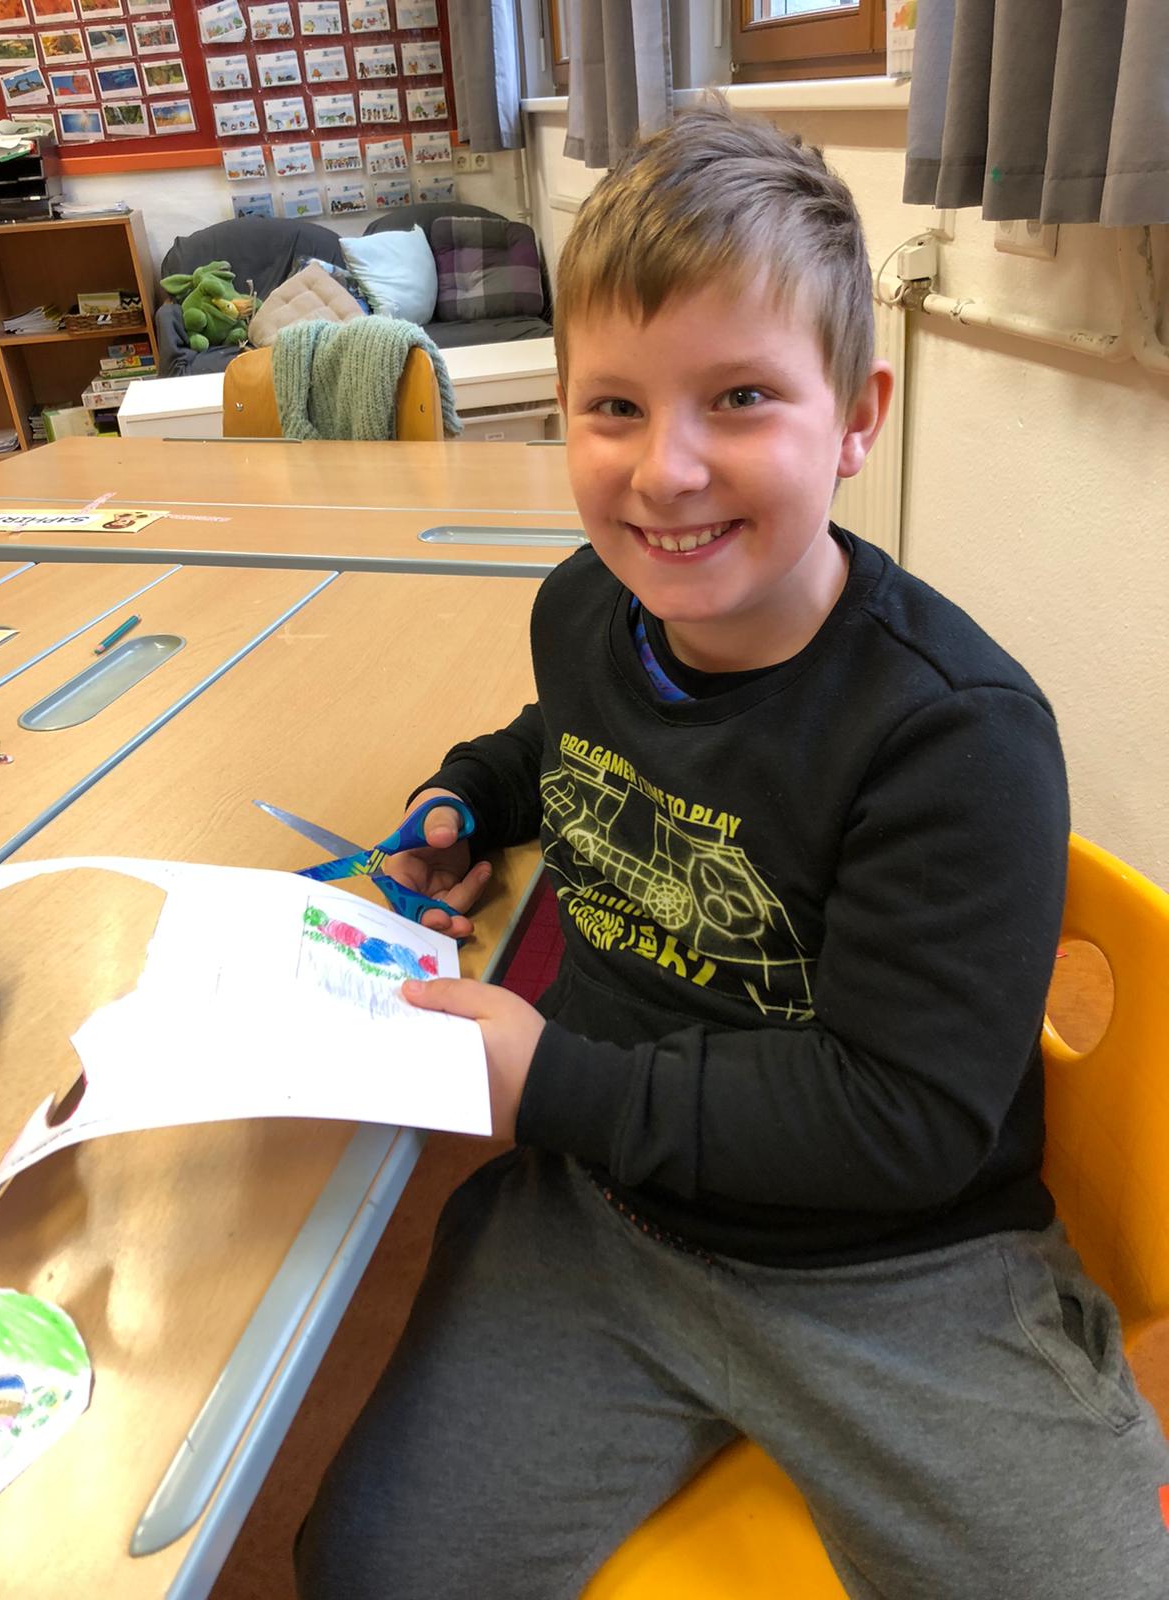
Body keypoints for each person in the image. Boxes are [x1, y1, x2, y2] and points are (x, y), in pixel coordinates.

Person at [295, 108, 1169, 1599]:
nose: (668, 470)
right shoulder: (587, 609)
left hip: (897, 1267)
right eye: (615, 407)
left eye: (741, 398)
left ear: (859, 415)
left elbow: (901, 1119)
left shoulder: (956, 736)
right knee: (371, 1571)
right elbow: (566, 737)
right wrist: (472, 799)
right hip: (607, 1213)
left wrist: (548, 1084)